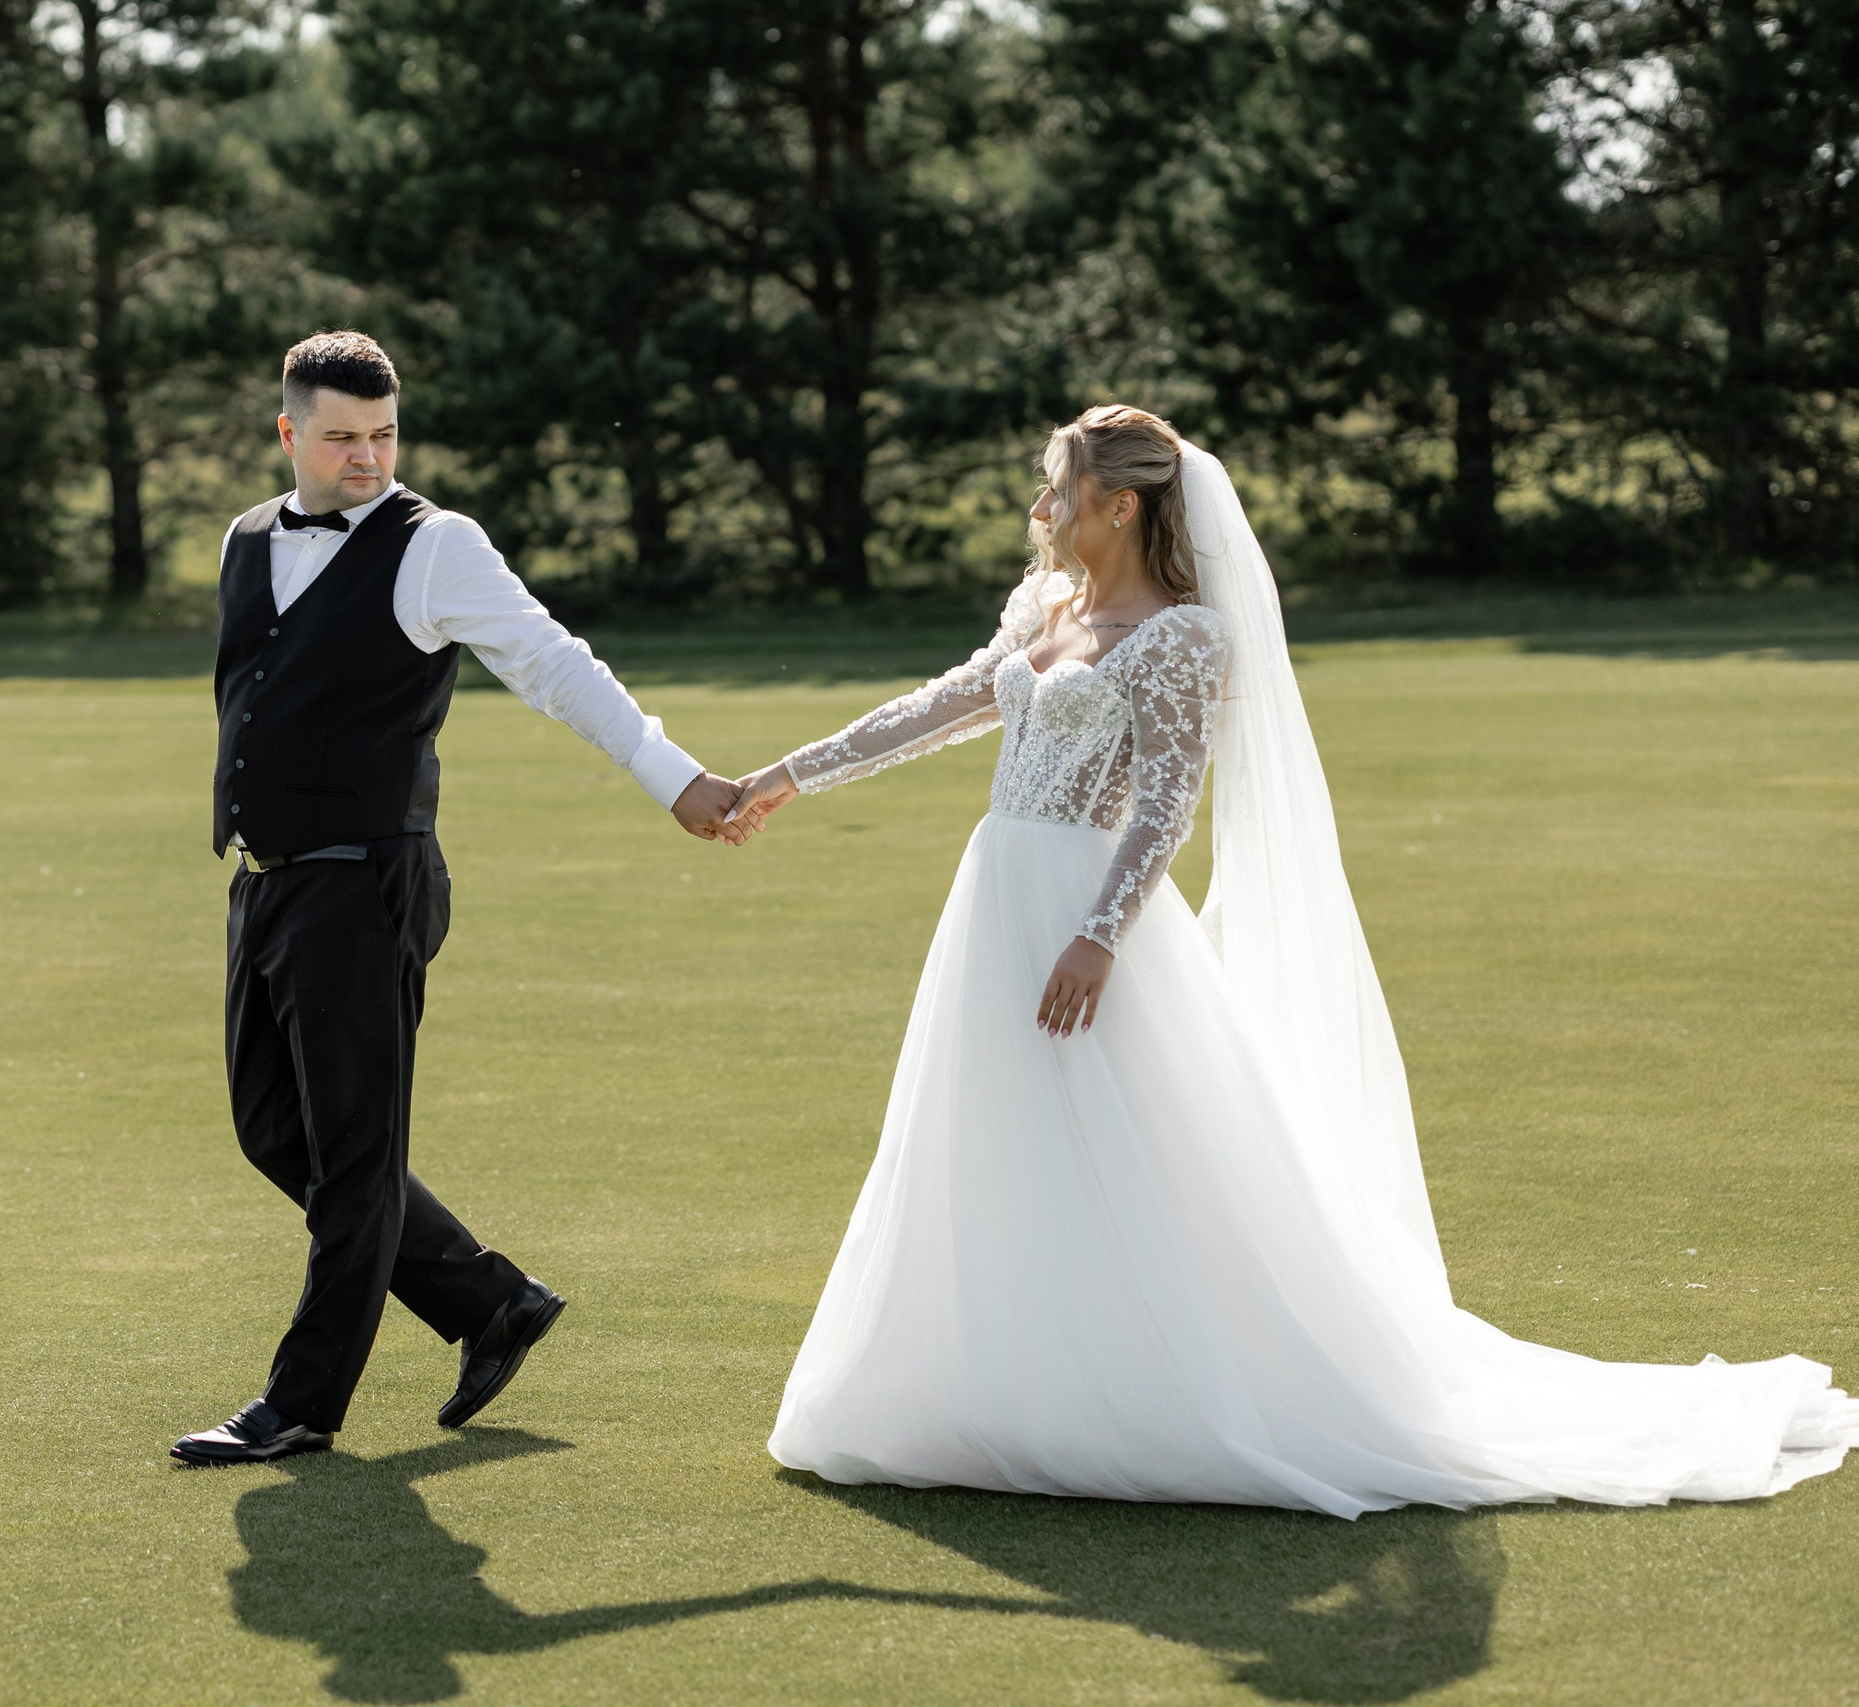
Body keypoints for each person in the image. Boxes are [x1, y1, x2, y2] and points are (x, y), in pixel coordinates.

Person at [724, 404, 1858, 1514]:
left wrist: (1097, 934)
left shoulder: (1179, 637)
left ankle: (1153, 1392)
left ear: (1118, 505)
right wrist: (780, 777)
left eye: (1056, 487)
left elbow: (1166, 808)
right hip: (992, 907)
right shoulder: (1044, 610)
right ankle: (991, 1387)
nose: (1038, 505)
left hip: (1082, 917)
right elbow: (935, 708)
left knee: (1133, 1151)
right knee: (990, 1136)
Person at [172, 331, 748, 1467]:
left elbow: (551, 662)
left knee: (352, 1155)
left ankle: (300, 1405)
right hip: (265, 882)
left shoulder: (436, 547)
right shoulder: (248, 538)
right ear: (289, 432)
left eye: (383, 435)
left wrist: (674, 780)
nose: (366, 459)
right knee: (272, 1132)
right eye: (340, 437)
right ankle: (490, 1301)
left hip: (366, 885)